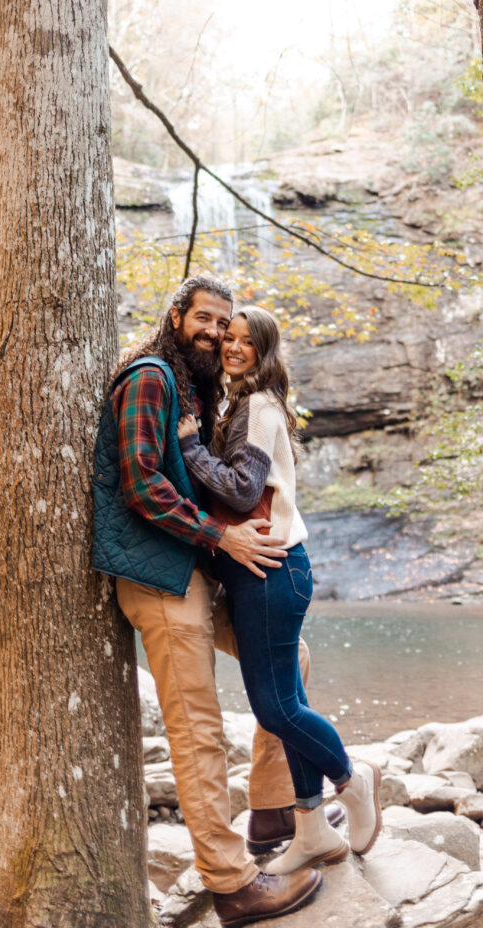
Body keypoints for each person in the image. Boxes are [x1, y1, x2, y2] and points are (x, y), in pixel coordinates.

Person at [91, 276, 323, 927]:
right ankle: (232, 885)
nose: (217, 333)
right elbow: (140, 484)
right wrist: (220, 534)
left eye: (225, 323)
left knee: (290, 659)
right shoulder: (148, 378)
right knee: (198, 733)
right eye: (205, 319)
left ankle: (274, 808)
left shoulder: (194, 389)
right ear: (176, 316)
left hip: (194, 571)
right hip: (158, 579)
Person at [177, 305, 383, 874]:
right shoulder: (237, 403)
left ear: (265, 351)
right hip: (255, 573)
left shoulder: (261, 408)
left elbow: (244, 493)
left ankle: (353, 777)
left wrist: (191, 450)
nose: (233, 348)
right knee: (285, 705)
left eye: (247, 341)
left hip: (274, 569)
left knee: (277, 707)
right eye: (229, 339)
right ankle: (311, 828)